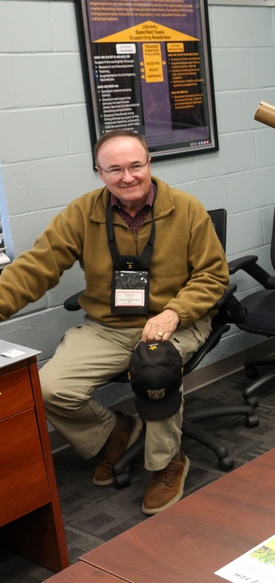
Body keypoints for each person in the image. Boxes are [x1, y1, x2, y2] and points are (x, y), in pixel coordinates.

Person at [0, 130, 229, 515]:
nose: (128, 177)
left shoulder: (187, 208)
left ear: (149, 164)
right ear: (99, 173)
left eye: (136, 165)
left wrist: (174, 312)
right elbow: (35, 269)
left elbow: (213, 275)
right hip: (108, 327)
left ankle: (167, 462)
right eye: (115, 169)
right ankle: (116, 430)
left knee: (154, 371)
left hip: (176, 323)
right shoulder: (82, 213)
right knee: (46, 388)